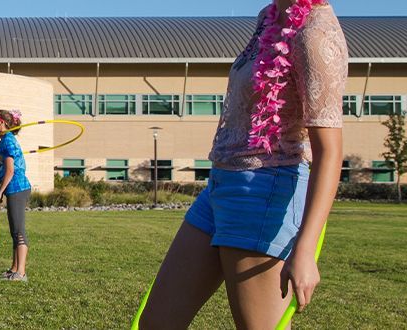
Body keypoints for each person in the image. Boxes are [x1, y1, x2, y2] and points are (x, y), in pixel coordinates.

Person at [137, 1, 346, 329]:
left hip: (265, 189)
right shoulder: (269, 17)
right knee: (156, 323)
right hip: (221, 184)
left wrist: (305, 249)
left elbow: (329, 152)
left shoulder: (315, 33)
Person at [0, 109, 31, 282]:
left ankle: (21, 273)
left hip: (17, 187)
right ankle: (14, 269)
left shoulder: (8, 141)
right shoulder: (4, 141)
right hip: (13, 189)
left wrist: (0, 190)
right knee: (14, 230)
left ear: (2, 123)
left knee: (19, 230)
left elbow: (11, 170)